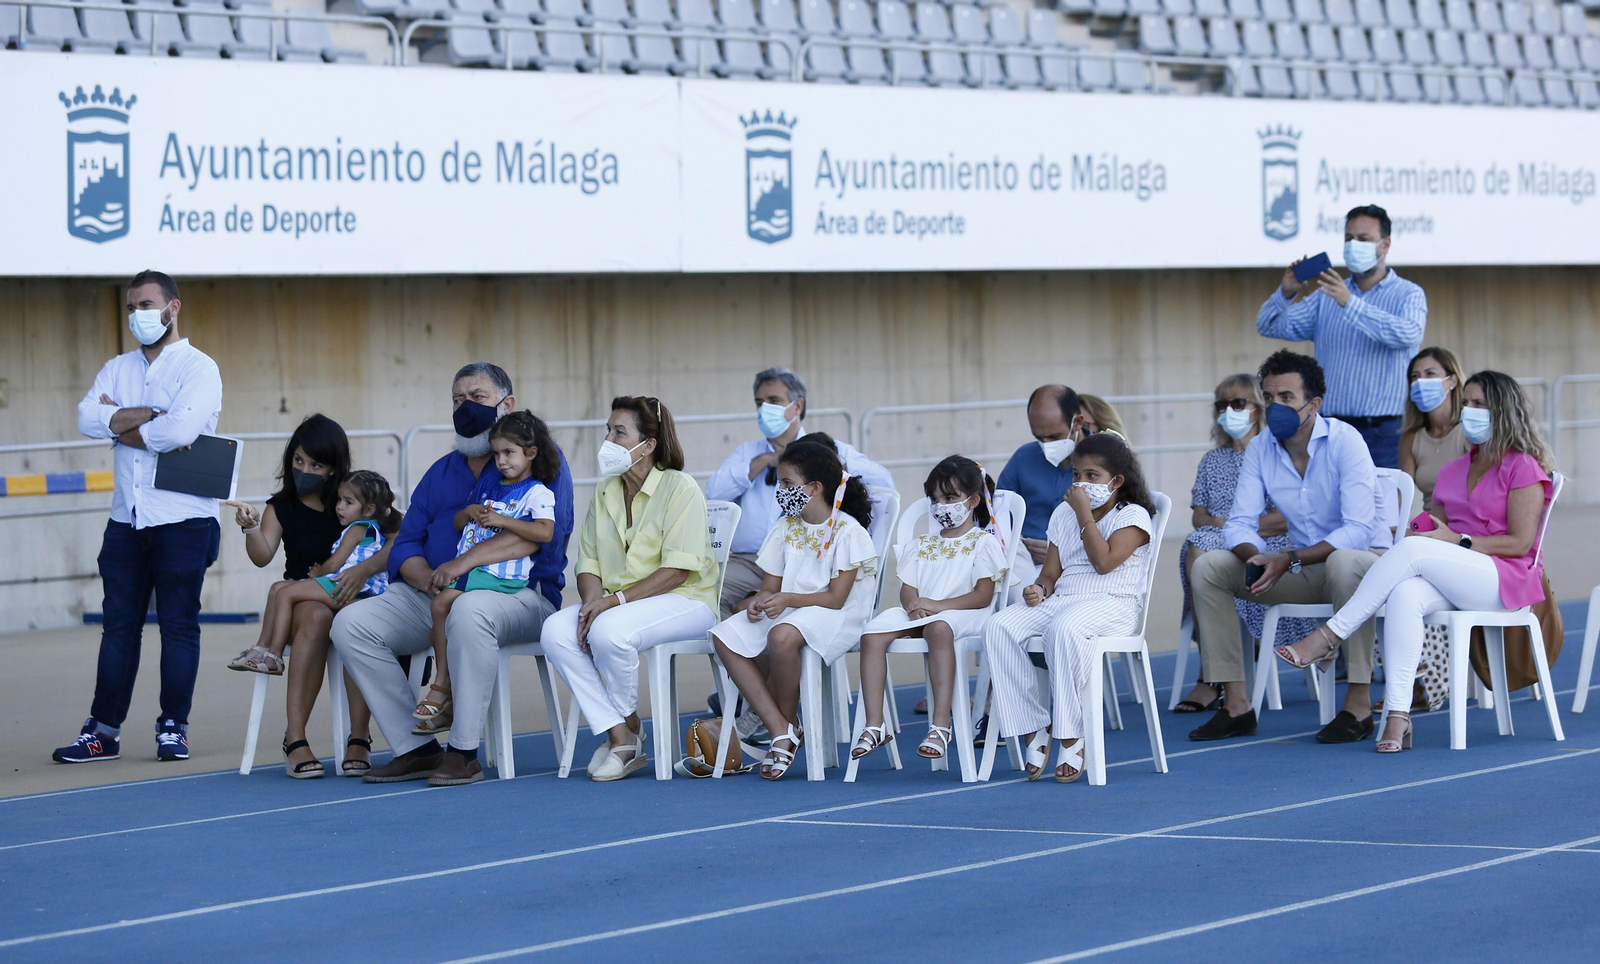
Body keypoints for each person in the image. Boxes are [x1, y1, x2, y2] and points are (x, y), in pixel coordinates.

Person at [1275, 371, 1553, 753]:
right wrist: (1412, 530)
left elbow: (1521, 542)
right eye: (1467, 404)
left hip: (1504, 579)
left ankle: (1330, 636)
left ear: (1502, 412)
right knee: (1406, 591)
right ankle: (1398, 716)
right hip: (1455, 575)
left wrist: (1455, 541)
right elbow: (1433, 525)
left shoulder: (1522, 466)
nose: (1468, 411)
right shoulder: (1454, 469)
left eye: (1479, 405)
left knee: (1413, 553)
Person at [331, 363, 574, 788]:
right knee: (351, 623)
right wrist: (426, 575)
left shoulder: (544, 467)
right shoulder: (442, 471)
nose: (465, 408)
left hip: (520, 594)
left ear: (507, 404)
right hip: (434, 591)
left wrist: (461, 568)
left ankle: (463, 753)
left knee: (468, 610)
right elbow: (405, 542)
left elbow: (543, 541)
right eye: (457, 400)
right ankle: (416, 749)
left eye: (477, 398)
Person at [55, 270, 223, 765]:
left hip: (183, 518)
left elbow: (182, 431)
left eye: (146, 305)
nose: (136, 316)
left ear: (173, 308)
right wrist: (151, 413)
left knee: (178, 626)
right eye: (130, 307)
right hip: (125, 521)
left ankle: (174, 726)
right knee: (118, 628)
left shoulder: (199, 368)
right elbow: (87, 418)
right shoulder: (117, 367)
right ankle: (102, 731)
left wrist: (120, 420)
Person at [1187, 350, 1381, 745]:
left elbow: (1359, 529)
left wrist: (1288, 558)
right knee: (1208, 568)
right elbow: (1241, 522)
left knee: (1345, 562)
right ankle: (1237, 706)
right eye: (1270, 397)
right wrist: (1253, 556)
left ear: (1314, 404)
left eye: (1286, 398)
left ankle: (1358, 706)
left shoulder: (1346, 442)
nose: (1276, 407)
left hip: (1360, 570)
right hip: (1300, 569)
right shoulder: (1261, 448)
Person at [541, 397, 719, 782]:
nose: (608, 439)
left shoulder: (680, 487)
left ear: (649, 444)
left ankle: (623, 740)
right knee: (556, 630)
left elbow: (677, 571)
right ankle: (624, 731)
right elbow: (587, 563)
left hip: (686, 601)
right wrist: (591, 605)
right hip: (619, 605)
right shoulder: (605, 492)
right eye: (608, 429)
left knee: (610, 631)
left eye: (619, 431)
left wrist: (611, 603)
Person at [980, 433, 1155, 783]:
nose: (1081, 483)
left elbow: (1104, 562)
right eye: (1077, 475)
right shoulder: (1064, 512)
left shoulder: (1133, 516)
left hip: (1113, 603)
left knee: (1062, 629)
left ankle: (1072, 733)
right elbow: (1051, 573)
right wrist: (1038, 589)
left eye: (1092, 476)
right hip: (1065, 599)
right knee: (998, 627)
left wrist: (1083, 514)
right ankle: (1033, 727)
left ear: (1116, 481)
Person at [225, 415, 388, 777]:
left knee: (353, 621)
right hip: (305, 597)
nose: (305, 469)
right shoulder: (280, 506)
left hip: (352, 594)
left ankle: (359, 737)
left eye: (316, 464)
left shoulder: (352, 499)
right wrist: (251, 528)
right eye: (299, 460)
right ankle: (295, 739)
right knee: (317, 616)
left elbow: (400, 533)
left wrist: (367, 568)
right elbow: (262, 554)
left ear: (333, 468)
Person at [710, 440, 878, 781]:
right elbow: (771, 586)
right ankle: (781, 730)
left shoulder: (848, 531)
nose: (781, 490)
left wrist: (785, 600)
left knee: (781, 636)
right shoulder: (786, 526)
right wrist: (759, 601)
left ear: (815, 488)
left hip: (836, 614)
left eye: (787, 483)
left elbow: (836, 598)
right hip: (794, 608)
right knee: (725, 635)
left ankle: (784, 727)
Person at [1172, 375, 1320, 714]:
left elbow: (1285, 518)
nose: (1228, 411)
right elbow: (1199, 516)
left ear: (1259, 408)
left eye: (1237, 403)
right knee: (1198, 544)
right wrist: (1228, 528)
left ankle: (1212, 675)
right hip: (1217, 538)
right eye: (1221, 405)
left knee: (1201, 547)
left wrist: (1236, 527)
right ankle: (1217, 669)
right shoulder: (1212, 460)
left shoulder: (1278, 453)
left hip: (1268, 541)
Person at [412, 412, 560, 735]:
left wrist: (502, 521)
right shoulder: (489, 489)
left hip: (498, 575)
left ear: (531, 454)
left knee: (439, 606)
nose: (501, 461)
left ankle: (442, 683)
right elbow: (456, 525)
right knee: (440, 609)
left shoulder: (537, 493)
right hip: (478, 571)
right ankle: (445, 681)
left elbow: (545, 532)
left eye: (509, 453)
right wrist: (468, 512)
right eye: (497, 454)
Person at [852, 456, 1007, 763]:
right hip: (924, 611)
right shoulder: (922, 544)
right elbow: (908, 587)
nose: (940, 506)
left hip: (963, 612)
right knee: (871, 635)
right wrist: (912, 606)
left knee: (938, 628)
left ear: (973, 500)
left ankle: (940, 726)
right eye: (935, 499)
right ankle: (874, 724)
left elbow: (982, 595)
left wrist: (936, 606)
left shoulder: (982, 544)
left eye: (949, 498)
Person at [706, 366, 892, 619]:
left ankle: (771, 655)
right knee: (708, 592)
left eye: (774, 401)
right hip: (747, 561)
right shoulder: (747, 452)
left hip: (806, 559)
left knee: (775, 609)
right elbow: (713, 494)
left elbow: (884, 480)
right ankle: (745, 657)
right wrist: (762, 462)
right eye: (759, 403)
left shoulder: (827, 447)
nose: (764, 409)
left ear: (797, 406)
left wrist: (829, 466)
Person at [1257, 203, 1426, 468]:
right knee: (1329, 507)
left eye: (1363, 239)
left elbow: (1408, 334)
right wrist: (1286, 292)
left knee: (1383, 506)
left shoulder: (1408, 294)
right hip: (1331, 427)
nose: (1353, 245)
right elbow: (1269, 325)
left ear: (1385, 245)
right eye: (1349, 239)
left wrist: (1351, 304)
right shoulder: (1327, 295)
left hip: (1385, 431)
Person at [996, 385, 1088, 601]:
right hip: (1022, 560)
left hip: (1079, 564)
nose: (1046, 445)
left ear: (1078, 423)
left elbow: (1119, 528)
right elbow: (998, 515)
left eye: (1054, 437)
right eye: (1039, 437)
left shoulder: (1105, 462)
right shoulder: (1024, 457)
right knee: (1004, 543)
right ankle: (1027, 604)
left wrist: (1060, 553)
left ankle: (1025, 611)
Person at [1398, 347, 1469, 514]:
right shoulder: (1411, 438)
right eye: (1415, 377)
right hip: (1429, 527)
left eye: (1430, 374)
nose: (1421, 382)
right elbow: (1400, 497)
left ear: (1453, 381)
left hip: (1464, 525)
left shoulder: (1469, 432)